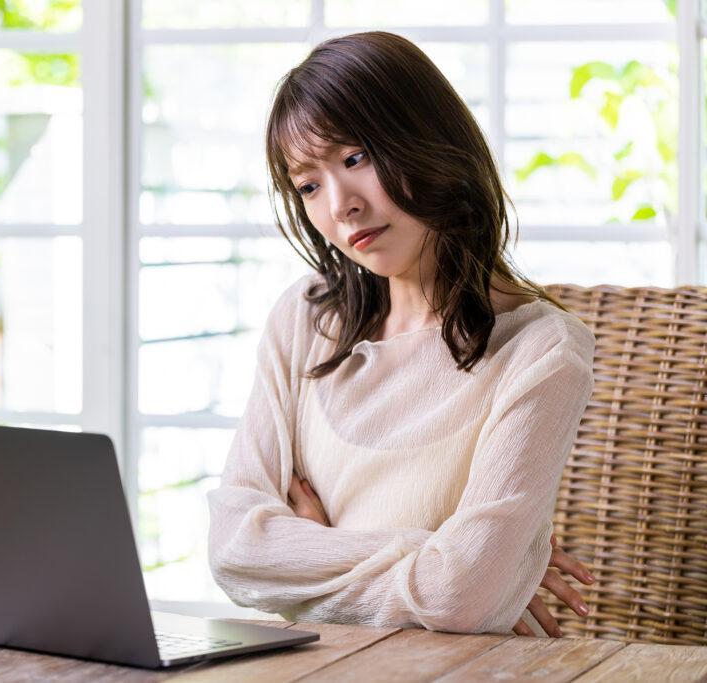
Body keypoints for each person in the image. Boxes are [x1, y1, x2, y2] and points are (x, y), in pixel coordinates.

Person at [207, 31, 597, 637]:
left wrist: (309, 549)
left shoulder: (543, 352)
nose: (340, 205)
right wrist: (444, 557)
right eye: (308, 184)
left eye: (355, 157)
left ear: (428, 139)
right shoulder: (304, 320)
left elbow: (457, 600)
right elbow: (234, 551)